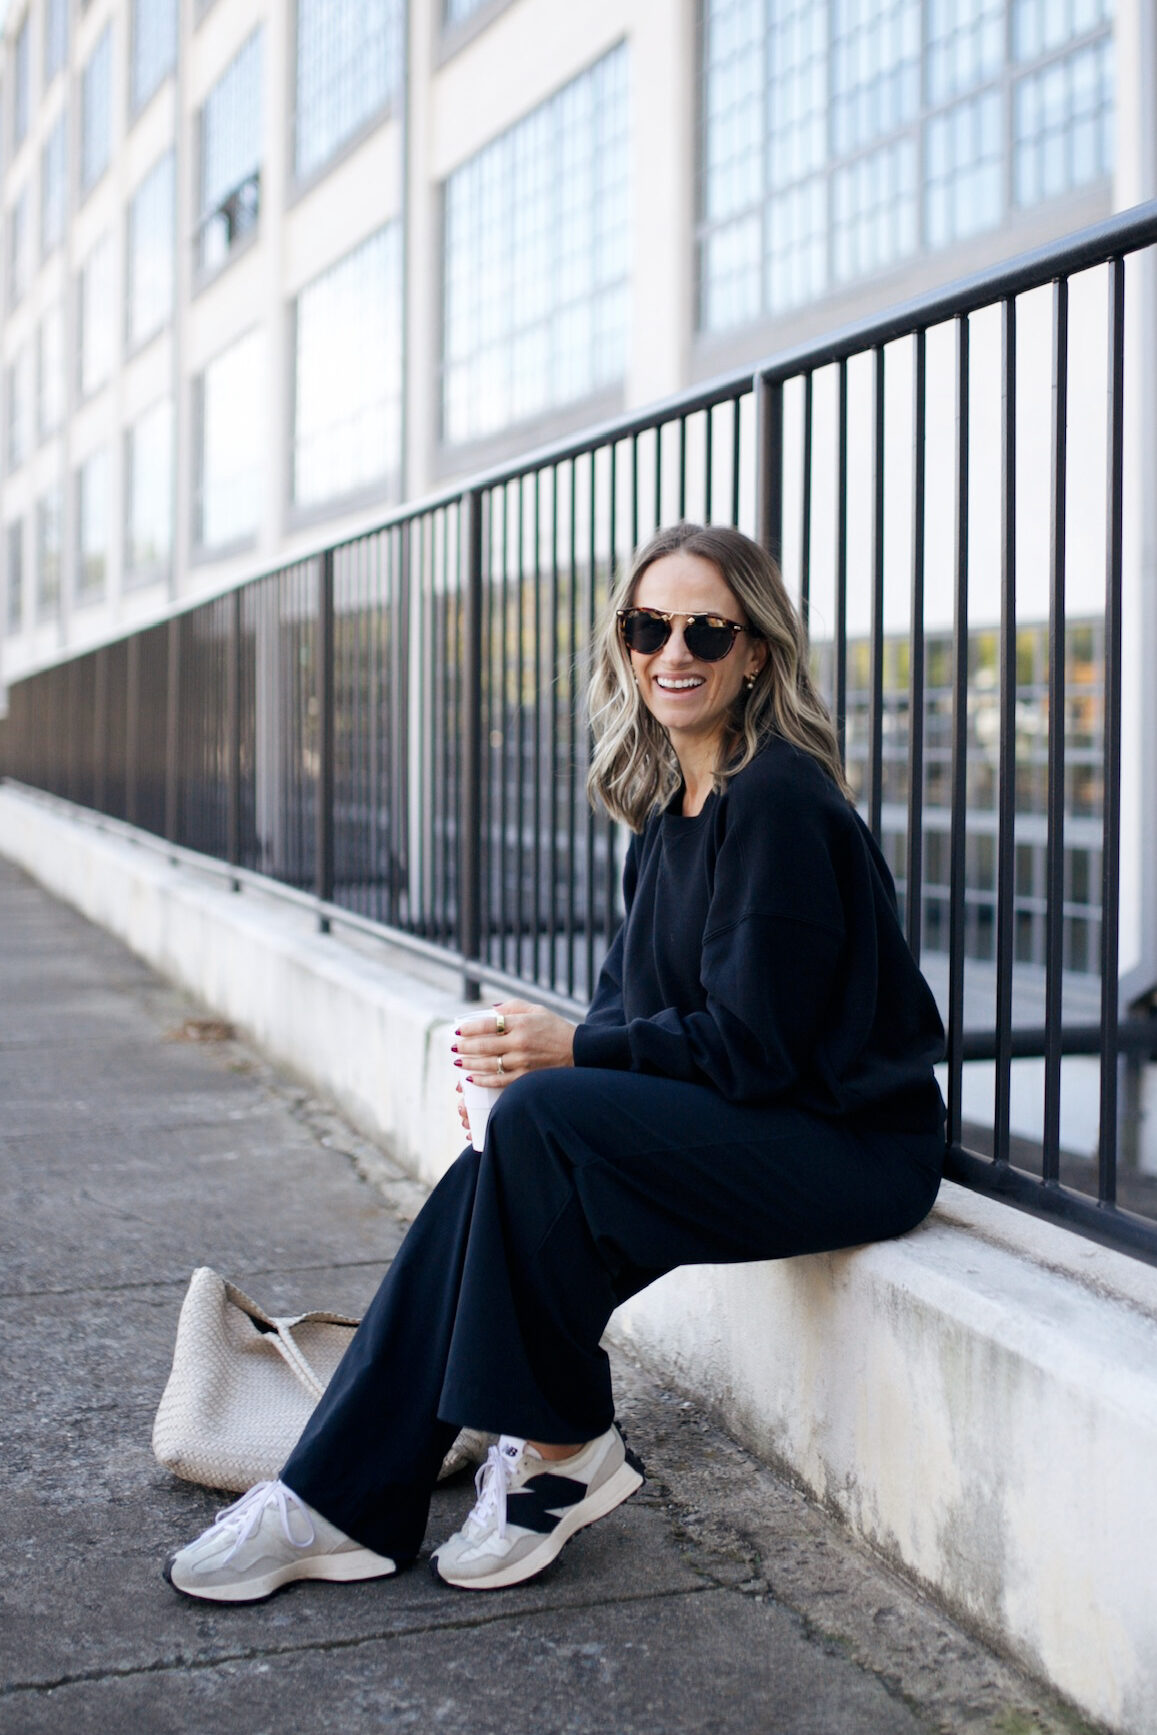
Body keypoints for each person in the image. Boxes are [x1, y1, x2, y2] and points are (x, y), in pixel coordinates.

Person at [164, 522, 945, 1604]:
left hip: (848, 1144)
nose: (672, 653)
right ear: (623, 644)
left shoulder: (778, 800)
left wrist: (568, 1050)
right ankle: (370, 1490)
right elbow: (635, 1023)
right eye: (646, 627)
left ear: (754, 651)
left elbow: (754, 1051)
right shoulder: (670, 812)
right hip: (764, 1121)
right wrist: (525, 1069)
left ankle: (531, 1448)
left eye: (705, 630)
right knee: (509, 1155)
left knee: (537, 1134)